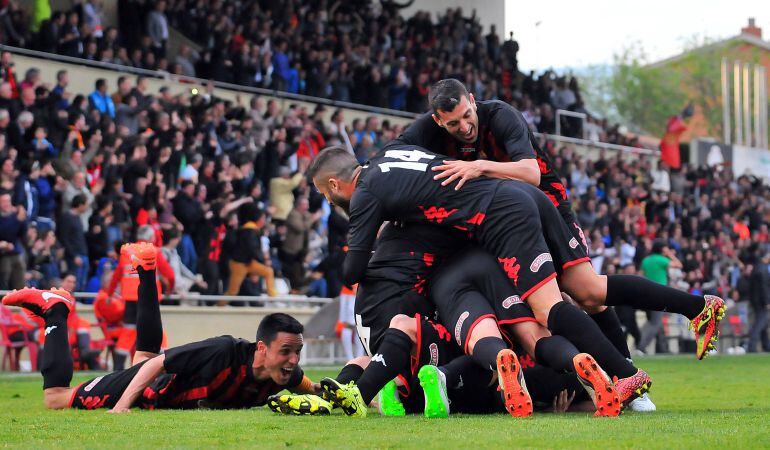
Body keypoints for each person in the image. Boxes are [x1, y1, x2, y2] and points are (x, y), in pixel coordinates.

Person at [393, 79, 723, 364]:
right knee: (565, 301)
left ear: (473, 102)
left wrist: (479, 167)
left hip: (548, 207)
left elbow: (530, 172)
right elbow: (393, 153)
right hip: (504, 222)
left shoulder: (501, 115)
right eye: (453, 125)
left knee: (588, 293)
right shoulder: (428, 129)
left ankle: (677, 325)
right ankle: (624, 375)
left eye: (467, 116)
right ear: (438, 120)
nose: (464, 127)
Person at [308, 147, 648, 416]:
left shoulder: (381, 196)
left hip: (448, 278)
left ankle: (427, 382)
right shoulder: (419, 164)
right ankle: (597, 369)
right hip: (494, 256)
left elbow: (352, 270)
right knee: (541, 328)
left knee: (478, 344)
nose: (328, 200)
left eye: (325, 193)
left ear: (335, 185)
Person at [2, 242, 316, 411]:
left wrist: (349, 394)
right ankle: (55, 311)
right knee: (55, 398)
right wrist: (122, 406)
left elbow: (308, 385)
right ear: (262, 347)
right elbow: (158, 363)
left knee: (143, 356)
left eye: (297, 352)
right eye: (287, 351)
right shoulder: (224, 351)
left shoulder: (281, 371)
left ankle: (146, 268)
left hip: (160, 380)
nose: (293, 360)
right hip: (153, 385)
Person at [103, 226, 174, 365]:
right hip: (149, 298)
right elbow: (170, 275)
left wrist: (110, 294)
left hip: (130, 299)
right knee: (155, 328)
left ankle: (118, 366)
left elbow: (117, 276)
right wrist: (169, 291)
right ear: (150, 237)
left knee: (129, 331)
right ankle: (164, 361)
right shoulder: (154, 251)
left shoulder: (127, 252)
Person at [638, 239, 683, 354]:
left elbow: (640, 275)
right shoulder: (662, 259)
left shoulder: (646, 260)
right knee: (655, 323)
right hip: (659, 293)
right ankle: (641, 347)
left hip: (646, 293)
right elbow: (679, 265)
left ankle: (664, 349)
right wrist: (669, 254)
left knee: (657, 323)